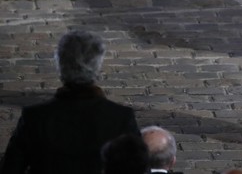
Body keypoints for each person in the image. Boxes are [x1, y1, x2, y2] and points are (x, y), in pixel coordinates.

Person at [0, 30, 141, 174]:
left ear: (59, 64)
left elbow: (11, 169)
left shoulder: (34, 118)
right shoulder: (121, 118)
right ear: (97, 65)